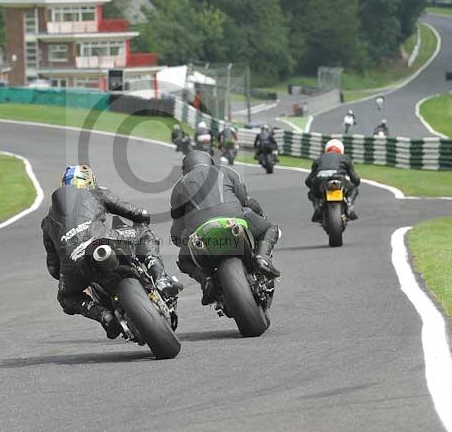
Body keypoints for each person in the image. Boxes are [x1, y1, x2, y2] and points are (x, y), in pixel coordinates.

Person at [42, 165, 182, 339]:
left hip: (75, 265)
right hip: (104, 240)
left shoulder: (48, 221)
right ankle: (160, 278)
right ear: (90, 181)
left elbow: (54, 268)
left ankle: (103, 315)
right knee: (144, 234)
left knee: (66, 297)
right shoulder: (96, 193)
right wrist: (141, 219)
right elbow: (139, 213)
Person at [170, 151, 281, 305]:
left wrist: (181, 240)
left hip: (200, 231)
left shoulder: (179, 186)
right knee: (270, 228)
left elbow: (176, 229)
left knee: (183, 260)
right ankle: (263, 258)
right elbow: (245, 201)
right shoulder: (227, 171)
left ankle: (206, 281)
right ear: (210, 162)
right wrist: (259, 214)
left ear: (185, 169)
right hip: (233, 220)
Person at [304, 139, 361, 222]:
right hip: (339, 179)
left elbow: (308, 180)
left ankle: (317, 207)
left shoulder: (318, 159)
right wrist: (355, 183)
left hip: (321, 180)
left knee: (312, 193)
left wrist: (312, 187)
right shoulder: (346, 158)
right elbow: (355, 179)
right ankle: (349, 205)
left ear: (326, 149)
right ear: (341, 150)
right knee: (354, 189)